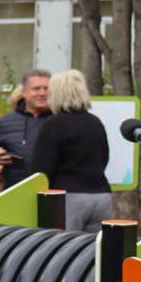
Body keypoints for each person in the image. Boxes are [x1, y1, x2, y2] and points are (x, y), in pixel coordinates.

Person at [29, 69, 111, 232]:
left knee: (65, 252)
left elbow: (42, 170)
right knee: (94, 253)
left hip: (69, 197)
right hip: (101, 196)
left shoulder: (54, 124)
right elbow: (104, 157)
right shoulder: (95, 122)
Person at [0, 69, 51, 189]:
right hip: (15, 191)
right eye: (36, 89)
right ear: (24, 92)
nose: (42, 93)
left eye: (46, 88)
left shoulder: (60, 121)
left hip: (51, 192)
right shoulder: (5, 122)